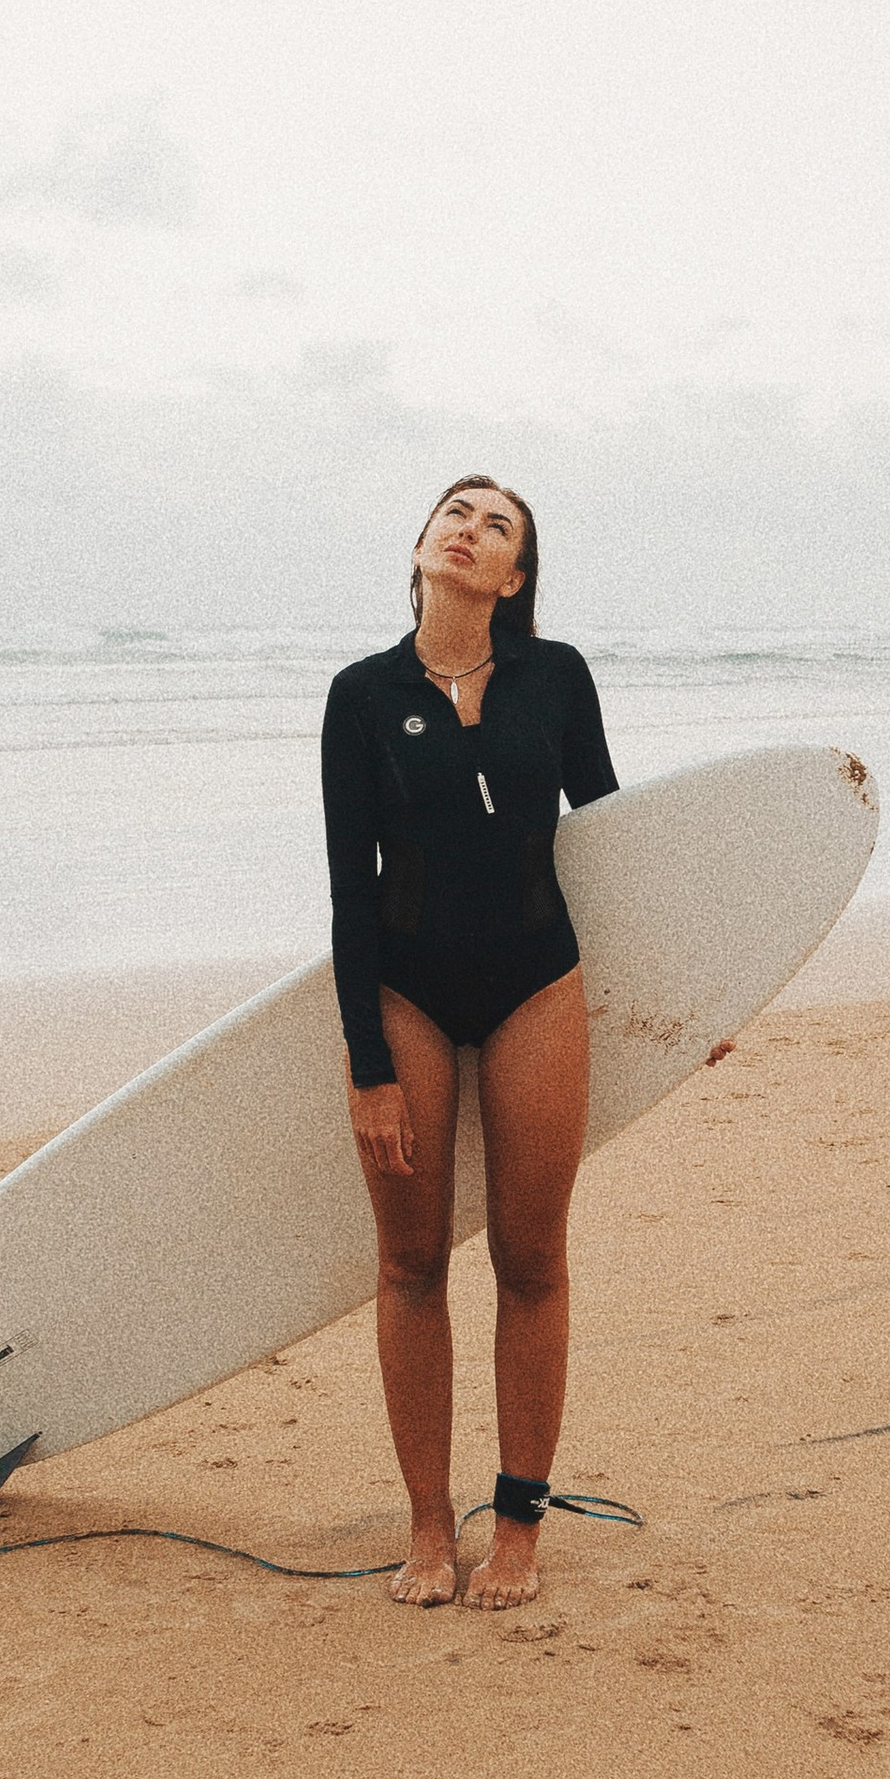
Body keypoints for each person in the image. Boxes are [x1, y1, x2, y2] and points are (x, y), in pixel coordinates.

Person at [321, 476, 617, 1607]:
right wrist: (369, 1070)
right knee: (410, 1265)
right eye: (456, 512)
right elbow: (353, 894)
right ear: (422, 545)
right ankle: (428, 1529)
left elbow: (608, 834)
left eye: (497, 526)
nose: (470, 528)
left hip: (535, 981)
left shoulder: (557, 677)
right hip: (409, 991)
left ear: (514, 577)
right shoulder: (360, 696)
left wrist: (689, 1002)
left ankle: (522, 1528)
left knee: (530, 1261)